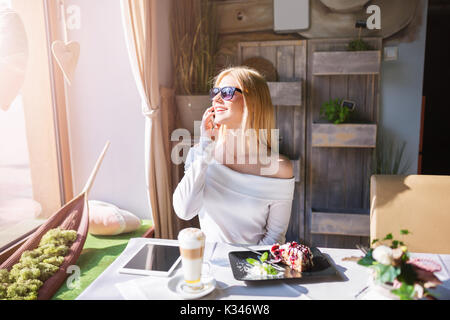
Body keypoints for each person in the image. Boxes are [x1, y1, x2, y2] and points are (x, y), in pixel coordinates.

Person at [173, 66, 295, 245]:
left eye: (227, 92)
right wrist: (206, 146)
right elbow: (184, 211)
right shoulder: (199, 154)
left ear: (253, 102)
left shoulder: (279, 168)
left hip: (255, 267)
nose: (216, 99)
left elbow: (275, 237)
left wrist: (248, 269)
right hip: (209, 265)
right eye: (215, 92)